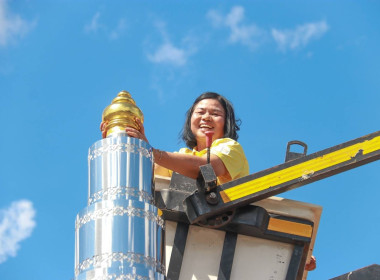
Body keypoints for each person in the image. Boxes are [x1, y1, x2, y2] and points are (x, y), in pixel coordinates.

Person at [103, 92, 249, 184]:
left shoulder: (231, 148)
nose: (206, 118)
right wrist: (117, 141)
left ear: (227, 122)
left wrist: (152, 152)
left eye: (215, 114)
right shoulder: (181, 157)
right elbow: (138, 177)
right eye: (200, 112)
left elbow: (205, 170)